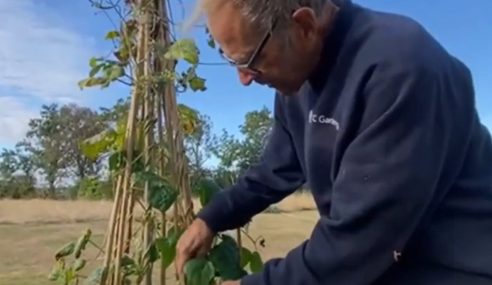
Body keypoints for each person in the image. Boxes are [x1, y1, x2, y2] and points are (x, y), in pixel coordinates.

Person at [176, 0, 492, 284]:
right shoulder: (296, 81)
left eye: (248, 60)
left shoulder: (399, 67)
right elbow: (275, 169)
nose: (243, 78)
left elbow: (361, 239)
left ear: (304, 26)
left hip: (454, 268)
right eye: (229, 59)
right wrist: (211, 218)